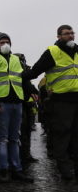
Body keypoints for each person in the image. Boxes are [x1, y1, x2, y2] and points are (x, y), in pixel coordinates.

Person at [24, 25, 78, 179]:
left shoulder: (77, 51)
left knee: (76, 137)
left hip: (77, 100)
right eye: (67, 33)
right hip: (61, 102)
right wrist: (20, 77)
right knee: (62, 136)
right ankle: (65, 171)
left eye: (72, 33)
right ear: (59, 36)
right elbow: (35, 71)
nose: (71, 36)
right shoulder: (52, 52)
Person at [0, 32, 34, 183]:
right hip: (1, 102)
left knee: (14, 138)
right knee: (2, 139)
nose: (5, 44)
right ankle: (3, 168)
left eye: (7, 41)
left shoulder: (16, 59)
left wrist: (32, 90)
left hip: (16, 102)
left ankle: (16, 169)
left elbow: (22, 78)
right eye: (1, 42)